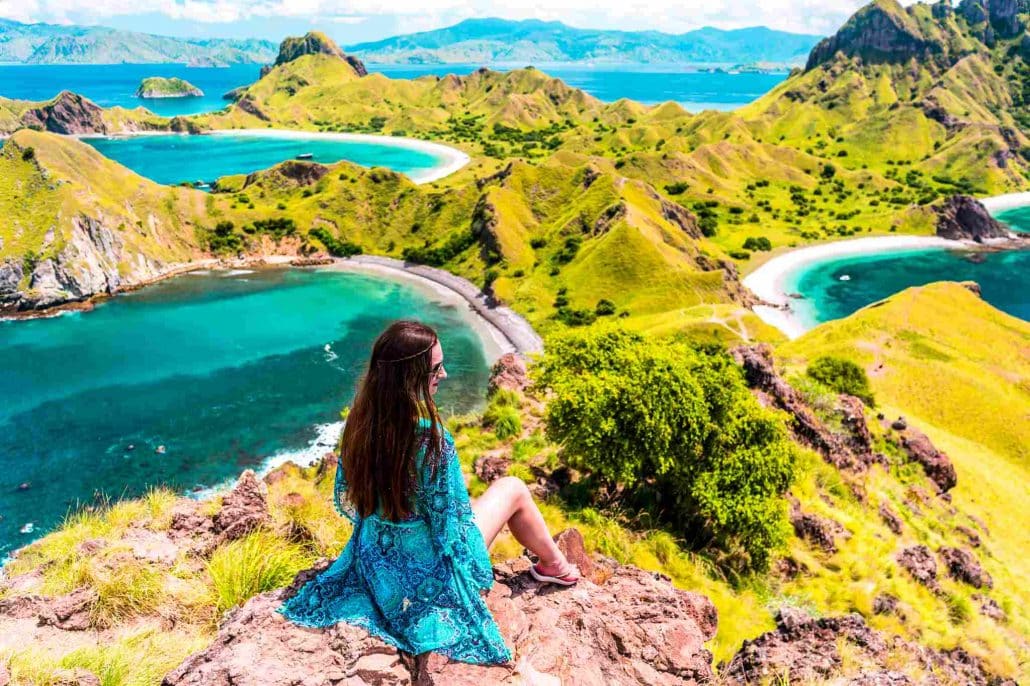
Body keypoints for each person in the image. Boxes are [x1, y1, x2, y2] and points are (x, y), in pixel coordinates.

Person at [275, 320, 579, 665]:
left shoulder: (358, 422)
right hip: (425, 572)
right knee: (512, 488)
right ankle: (554, 565)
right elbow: (452, 527)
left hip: (373, 559)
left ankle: (553, 563)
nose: (445, 374)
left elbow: (351, 500)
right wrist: (471, 574)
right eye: (436, 368)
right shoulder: (430, 440)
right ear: (410, 376)